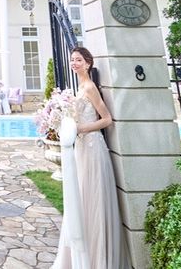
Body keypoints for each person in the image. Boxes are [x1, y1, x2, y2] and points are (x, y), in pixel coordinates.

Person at [54, 46, 131, 269]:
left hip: (93, 147)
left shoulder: (89, 87)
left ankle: (97, 258)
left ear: (88, 63)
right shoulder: (79, 87)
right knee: (80, 196)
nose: (74, 63)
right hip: (81, 148)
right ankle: (82, 253)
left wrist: (80, 129)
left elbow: (106, 119)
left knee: (93, 196)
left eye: (78, 60)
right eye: (72, 60)